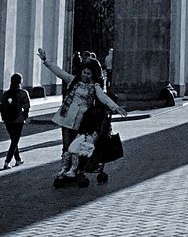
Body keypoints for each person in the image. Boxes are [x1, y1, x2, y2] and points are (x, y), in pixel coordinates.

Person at [38, 47, 127, 184]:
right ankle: (65, 170)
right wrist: (45, 61)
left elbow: (103, 97)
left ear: (93, 75)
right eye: (84, 72)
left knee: (77, 147)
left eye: (88, 74)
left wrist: (116, 108)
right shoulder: (74, 80)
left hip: (82, 120)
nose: (85, 75)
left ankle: (76, 171)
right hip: (66, 117)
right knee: (66, 146)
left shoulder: (94, 86)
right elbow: (59, 72)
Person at [1, 74, 30, 168]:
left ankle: (18, 160)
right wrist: (24, 117)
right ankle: (7, 161)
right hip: (18, 120)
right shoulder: (23, 93)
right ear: (20, 81)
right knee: (14, 141)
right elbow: (26, 107)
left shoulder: (6, 94)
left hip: (7, 120)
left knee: (14, 140)